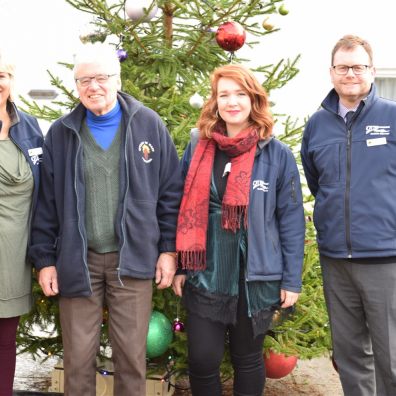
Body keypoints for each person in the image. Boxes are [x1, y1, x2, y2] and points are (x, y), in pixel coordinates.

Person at [28, 43, 183, 396]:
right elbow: (47, 203)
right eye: (85, 80)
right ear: (76, 85)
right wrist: (45, 259)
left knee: (131, 358)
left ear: (117, 78)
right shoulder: (61, 133)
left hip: (132, 261)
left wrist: (168, 251)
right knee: (78, 360)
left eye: (101, 77)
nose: (93, 86)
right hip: (78, 262)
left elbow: (171, 194)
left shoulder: (148, 124)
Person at [172, 64, 305, 396]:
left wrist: (291, 279)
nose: (232, 102)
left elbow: (290, 220)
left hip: (255, 275)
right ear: (214, 102)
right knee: (203, 359)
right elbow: (181, 206)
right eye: (224, 95)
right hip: (206, 270)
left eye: (240, 94)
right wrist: (179, 265)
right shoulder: (199, 145)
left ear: (253, 99)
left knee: (247, 358)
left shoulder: (277, 153)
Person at [301, 34, 396, 396]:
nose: (351, 74)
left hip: (385, 259)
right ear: (331, 72)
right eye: (343, 67)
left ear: (372, 70)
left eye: (358, 66)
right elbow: (317, 182)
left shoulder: (392, 116)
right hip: (336, 259)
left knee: (391, 357)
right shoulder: (317, 125)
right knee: (350, 353)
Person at [0, 50, 43, 396]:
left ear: (11, 81)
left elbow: (44, 189)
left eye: (1, 74)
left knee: (4, 341)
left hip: (14, 256)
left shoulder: (29, 127)